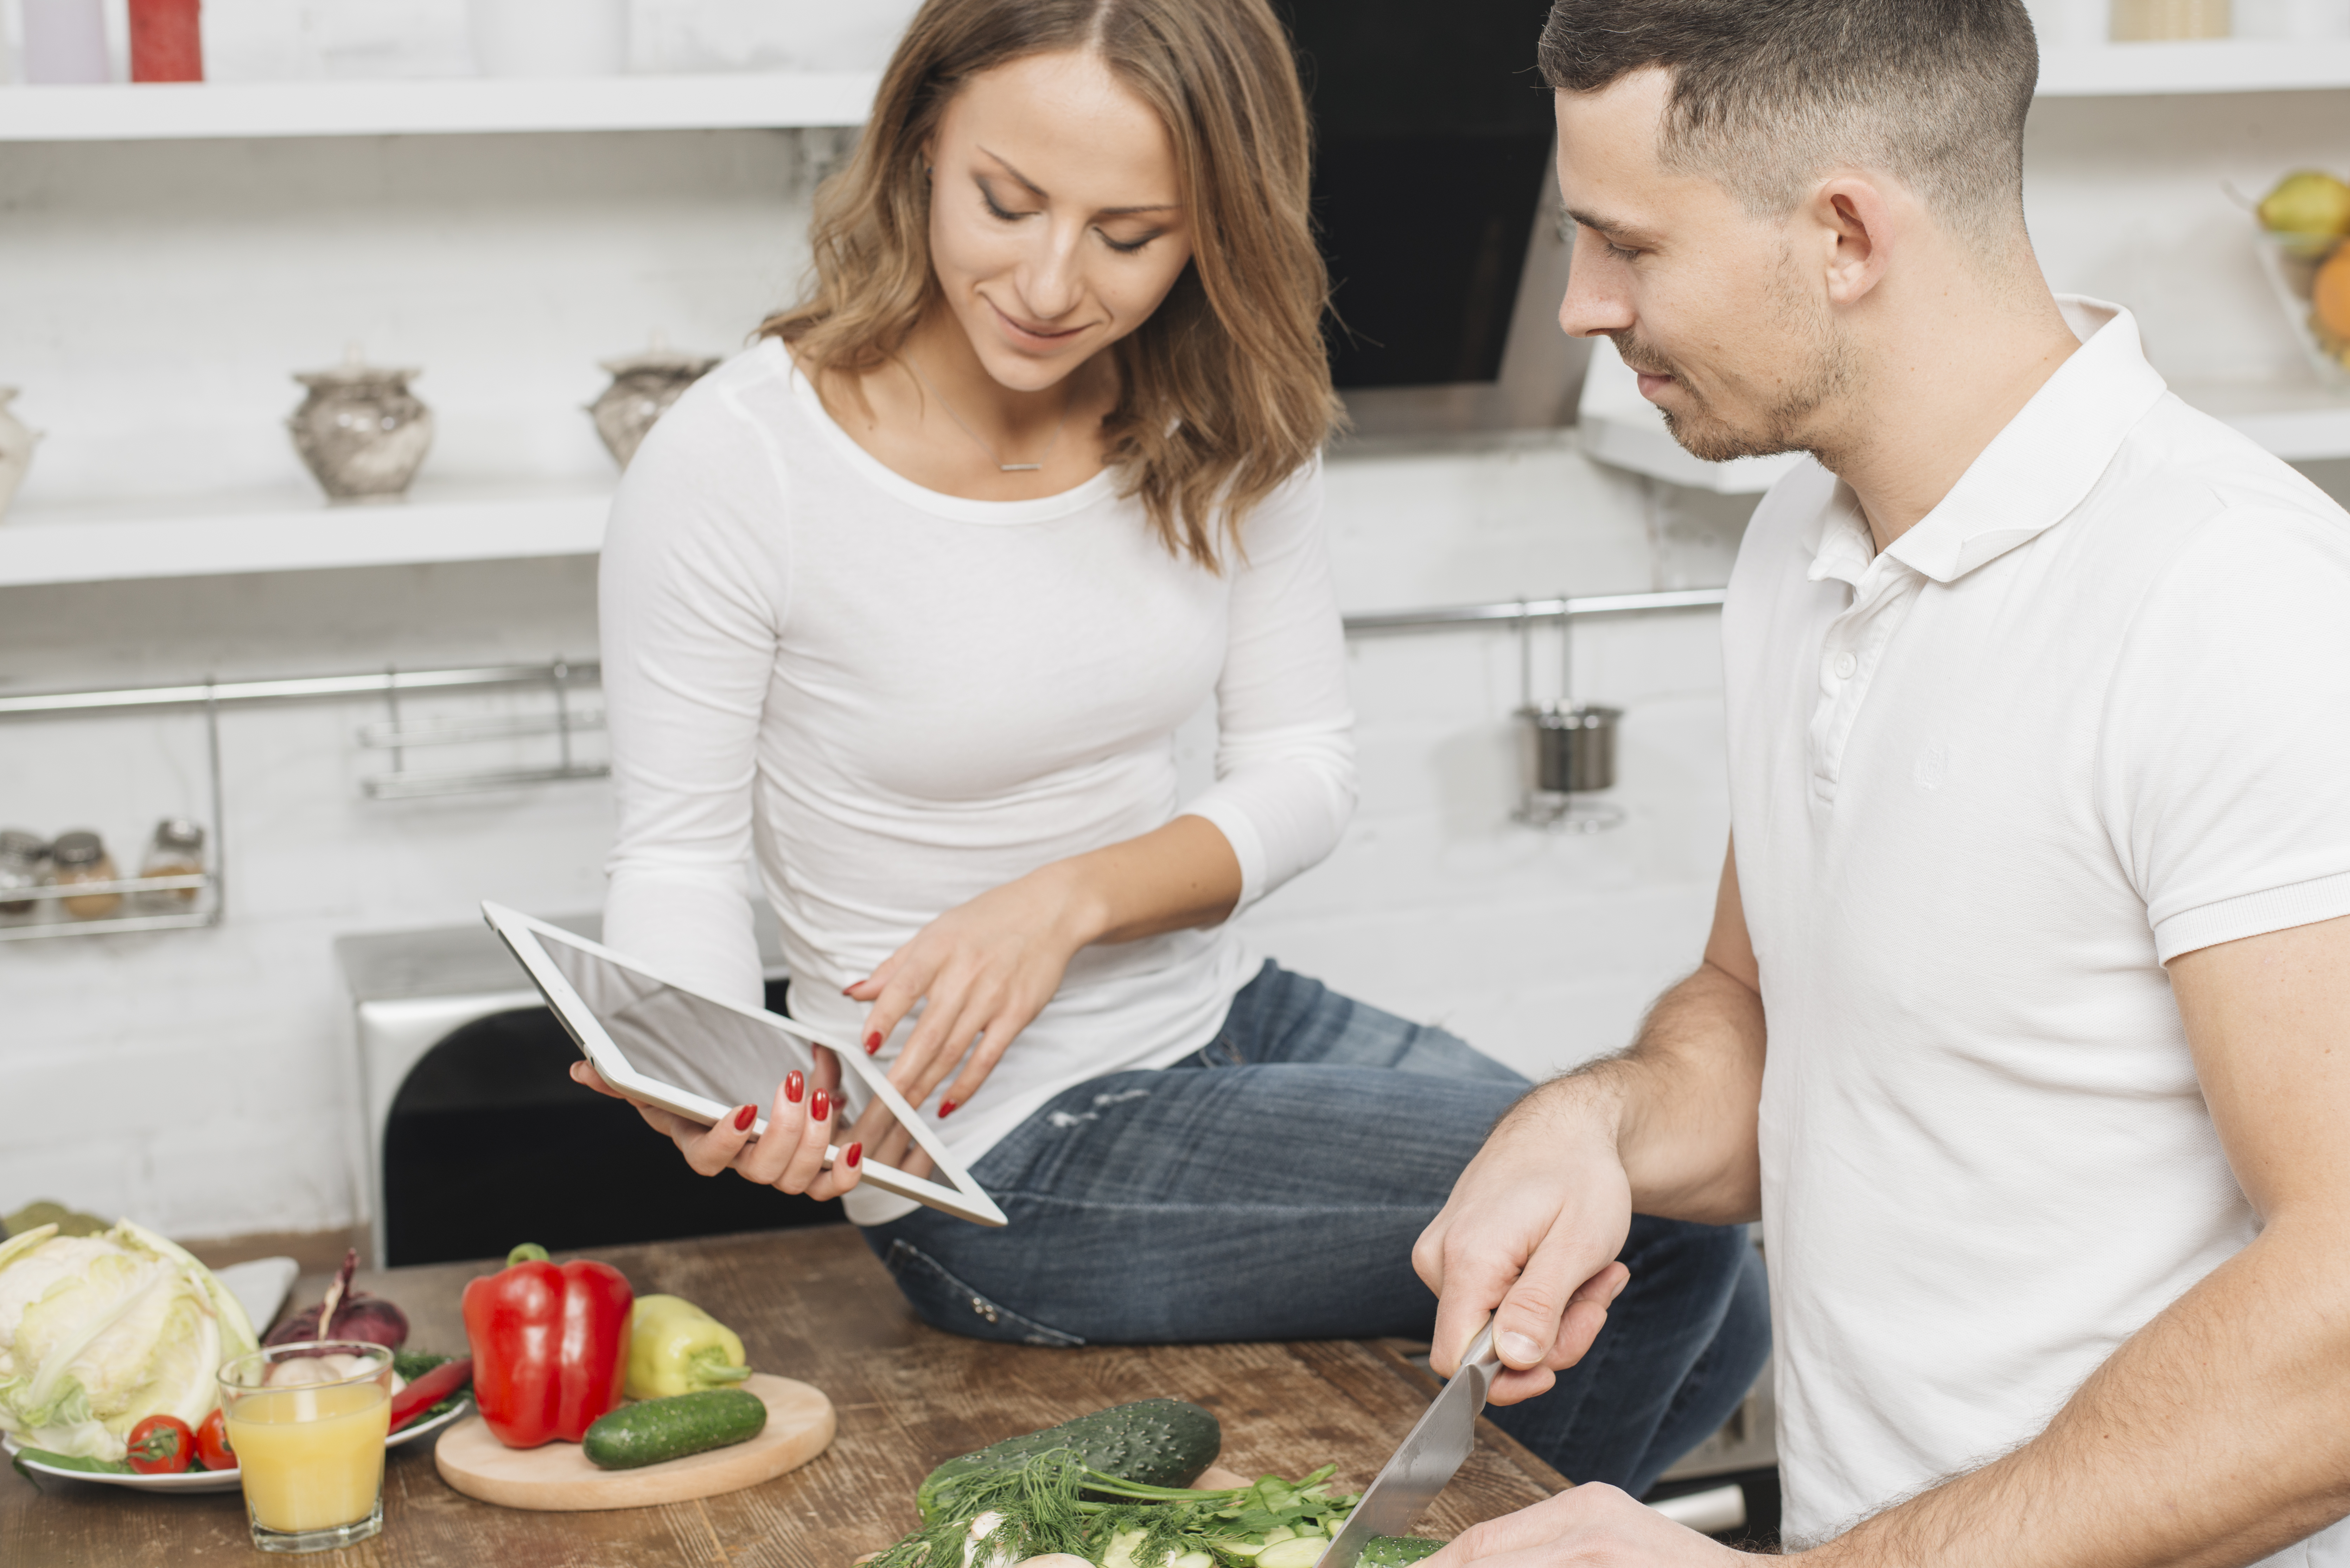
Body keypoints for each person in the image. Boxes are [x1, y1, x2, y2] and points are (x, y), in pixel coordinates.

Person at [575, 0, 1767, 1499]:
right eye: (1005, 204)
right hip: (992, 1153)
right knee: (1649, 1223)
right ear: (922, 138)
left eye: (1131, 233)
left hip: (1224, 1015)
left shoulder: (1226, 409)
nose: (1050, 281)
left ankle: (1429, 1535)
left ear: (1215, 224)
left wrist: (1063, 899)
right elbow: (674, 853)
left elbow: (1306, 766)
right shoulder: (741, 460)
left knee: (1707, 1260)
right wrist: (712, 1069)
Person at [1413, 0, 2350, 1563]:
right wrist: (1594, 1127)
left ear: (1845, 231)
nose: (1582, 304)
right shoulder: (1801, 537)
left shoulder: (2241, 603)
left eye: (1627, 245)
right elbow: (1758, 1008)